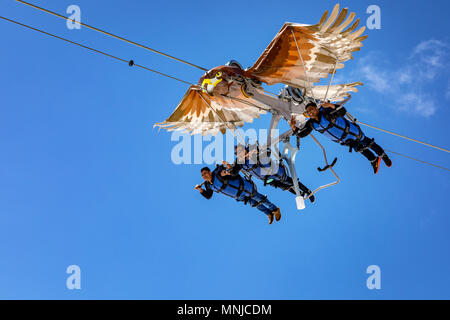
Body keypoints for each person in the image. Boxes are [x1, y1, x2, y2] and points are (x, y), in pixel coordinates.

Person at [290, 101, 392, 174]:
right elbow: (302, 134)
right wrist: (294, 127)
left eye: (311, 109)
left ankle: (383, 155)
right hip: (345, 140)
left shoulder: (326, 112)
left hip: (351, 132)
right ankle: (373, 160)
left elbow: (342, 111)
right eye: (308, 112)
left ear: (316, 108)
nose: (310, 112)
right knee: (359, 148)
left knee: (368, 143)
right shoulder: (311, 124)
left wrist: (330, 105)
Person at [226, 144, 315, 203]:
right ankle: (301, 194)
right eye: (237, 153)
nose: (240, 154)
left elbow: (267, 151)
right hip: (265, 178)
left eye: (241, 151)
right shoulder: (239, 162)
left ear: (245, 149)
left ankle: (307, 191)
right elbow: (234, 172)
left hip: (270, 170)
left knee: (289, 181)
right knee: (283, 187)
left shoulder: (253, 149)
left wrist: (256, 153)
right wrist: (230, 169)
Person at [195, 166, 281, 224]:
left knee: (259, 198)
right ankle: (268, 213)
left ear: (210, 172)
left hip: (243, 188)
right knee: (254, 203)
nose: (204, 176)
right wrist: (201, 190)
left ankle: (275, 209)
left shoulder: (218, 173)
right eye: (202, 175)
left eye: (205, 173)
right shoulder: (208, 185)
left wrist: (228, 171)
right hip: (238, 195)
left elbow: (234, 173)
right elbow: (209, 195)